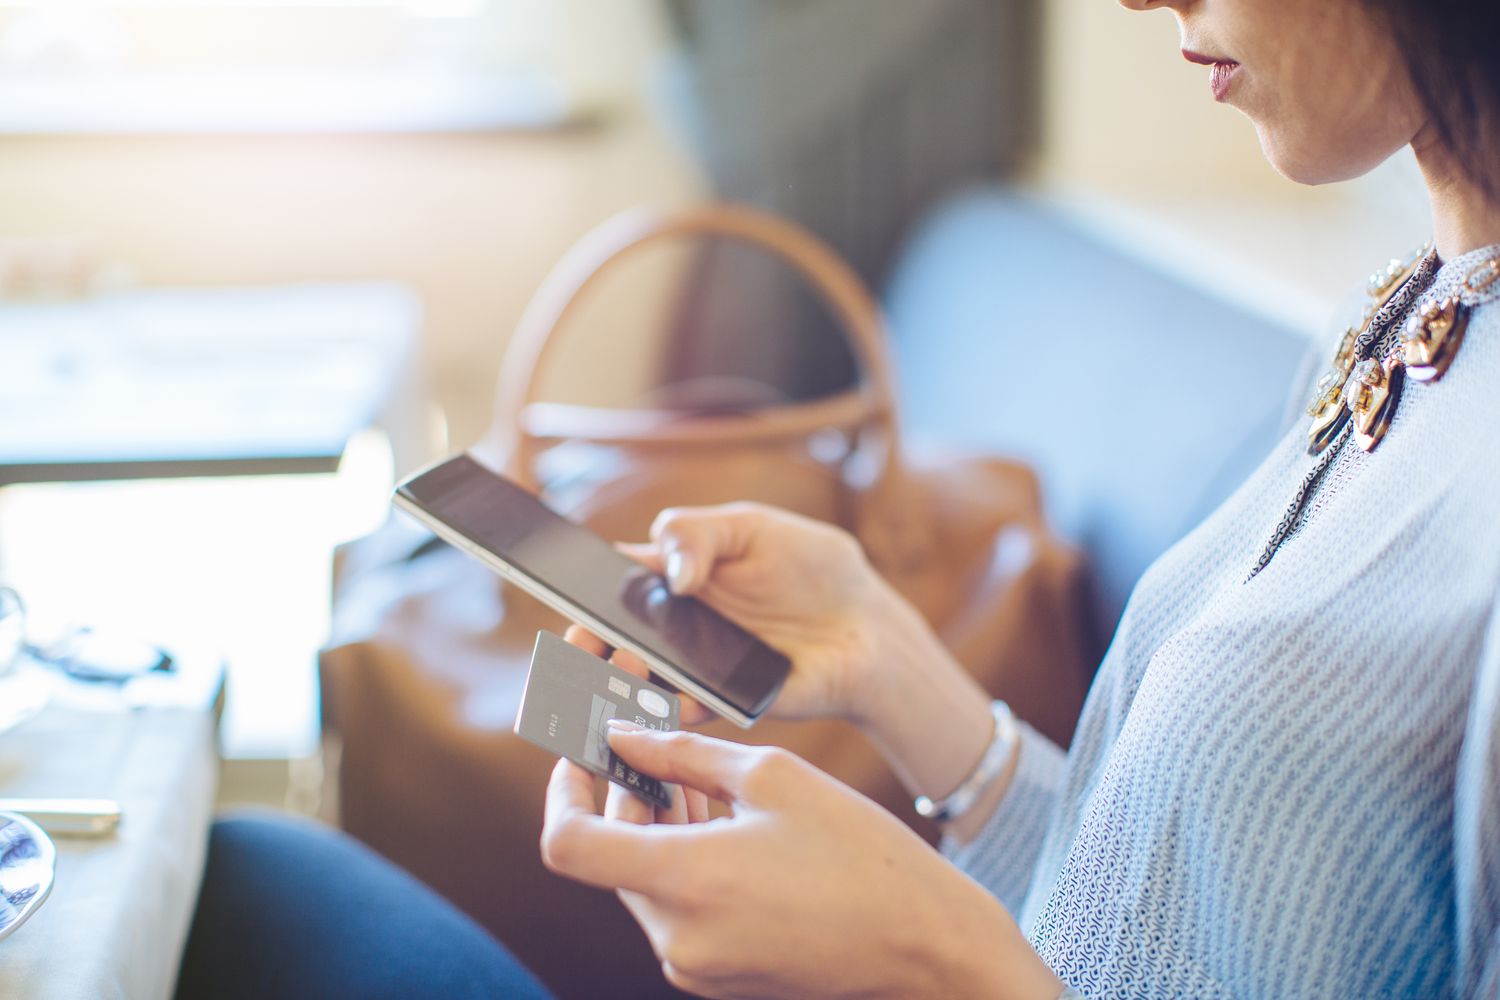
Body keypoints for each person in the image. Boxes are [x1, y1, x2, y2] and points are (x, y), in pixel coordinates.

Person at [177, 0, 1500, 996]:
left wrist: (936, 959)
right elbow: (1150, 917)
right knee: (241, 878)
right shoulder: (1407, 312)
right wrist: (889, 668)